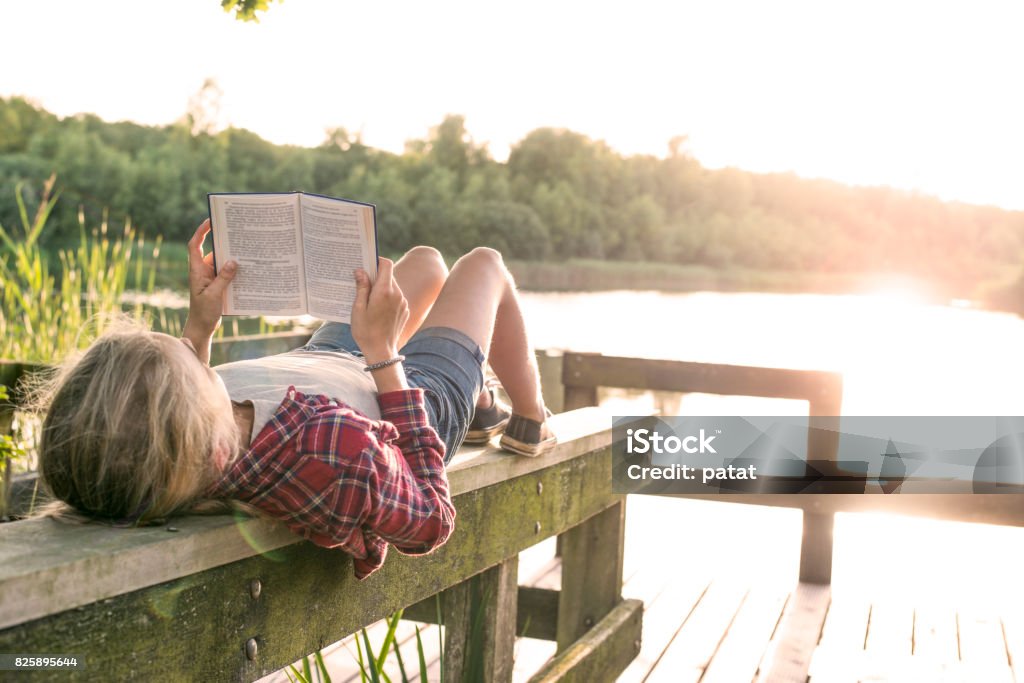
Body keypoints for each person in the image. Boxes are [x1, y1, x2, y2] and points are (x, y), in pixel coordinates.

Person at [35, 220, 555, 578]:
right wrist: (380, 352)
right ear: (212, 440)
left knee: (421, 264)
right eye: (190, 361)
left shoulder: (188, 447)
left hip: (324, 362)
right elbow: (431, 520)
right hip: (401, 390)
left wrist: (202, 324)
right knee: (483, 264)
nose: (191, 353)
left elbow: (177, 413)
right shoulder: (329, 451)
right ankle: (528, 418)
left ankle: (482, 395)